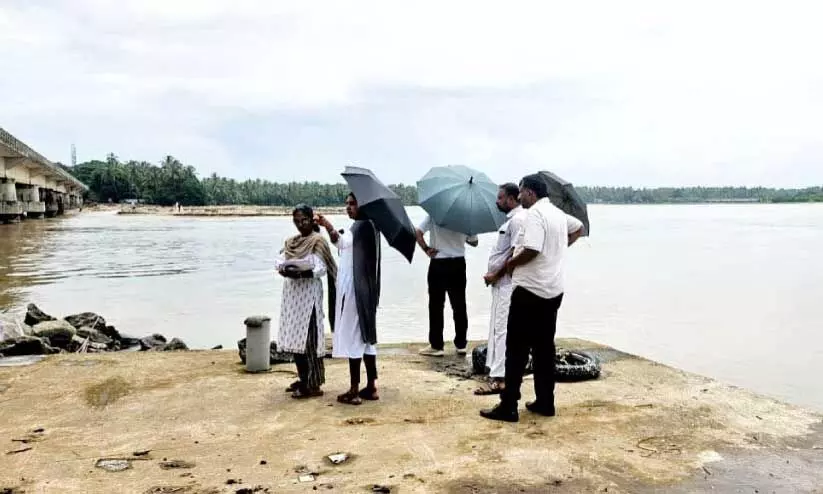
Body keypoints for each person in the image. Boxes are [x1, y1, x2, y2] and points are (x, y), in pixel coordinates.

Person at [480, 174, 583, 422]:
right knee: (544, 349)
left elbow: (532, 250)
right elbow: (578, 228)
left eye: (522, 192)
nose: (519, 196)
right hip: (553, 291)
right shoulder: (557, 214)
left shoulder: (535, 214)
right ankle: (545, 401)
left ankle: (509, 405)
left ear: (530, 193)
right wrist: (557, 250)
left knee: (516, 350)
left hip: (529, 291)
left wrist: (511, 265)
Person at [316, 193, 382, 405]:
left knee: (354, 337)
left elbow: (340, 242)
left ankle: (354, 390)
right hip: (368, 290)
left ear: (363, 205)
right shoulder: (373, 226)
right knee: (366, 339)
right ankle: (371, 386)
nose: (348, 207)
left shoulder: (361, 226)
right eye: (347, 204)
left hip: (356, 290)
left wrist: (327, 225)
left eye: (352, 204)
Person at [275, 204, 337, 399]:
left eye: (304, 220)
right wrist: (284, 269)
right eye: (297, 221)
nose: (300, 224)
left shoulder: (317, 241)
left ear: (312, 220)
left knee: (310, 341)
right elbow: (282, 261)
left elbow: (321, 269)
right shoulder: (292, 242)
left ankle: (314, 383)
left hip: (309, 297)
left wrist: (302, 272)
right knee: (295, 338)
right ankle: (302, 378)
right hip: (292, 297)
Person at [415, 214, 478, 357]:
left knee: (436, 305)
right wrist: (461, 237)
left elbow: (418, 233)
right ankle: (461, 344)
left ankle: (437, 345)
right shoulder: (466, 216)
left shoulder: (433, 214)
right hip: (458, 263)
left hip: (439, 262)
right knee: (459, 305)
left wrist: (426, 249)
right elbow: (474, 242)